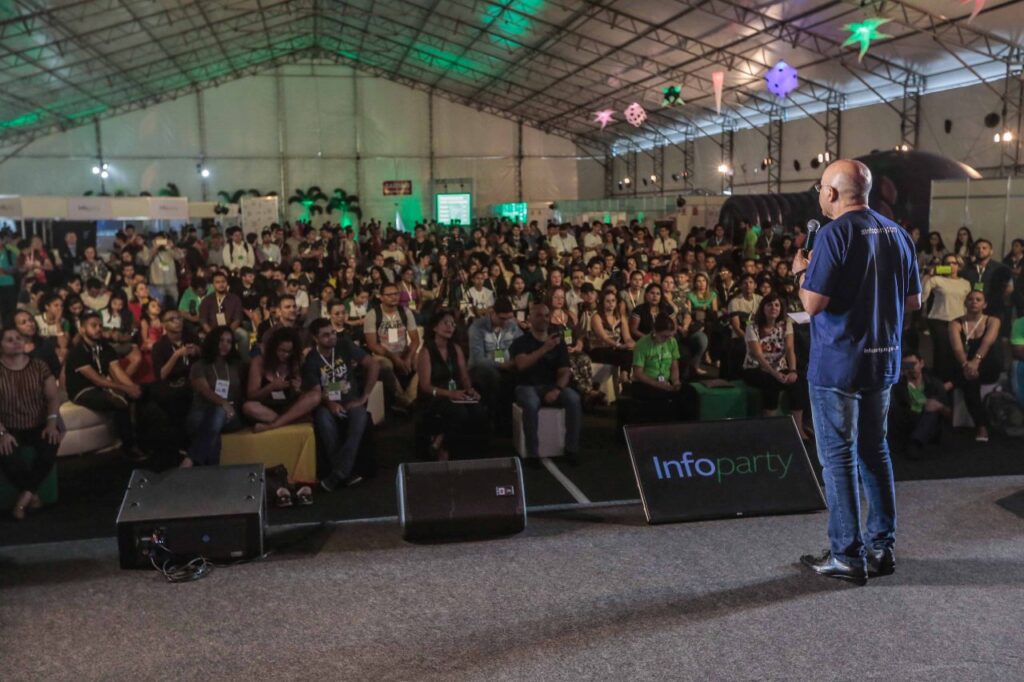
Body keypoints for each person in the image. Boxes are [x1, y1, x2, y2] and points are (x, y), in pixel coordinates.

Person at [795, 159, 921, 585]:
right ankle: (881, 548)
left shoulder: (834, 234)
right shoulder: (897, 233)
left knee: (838, 457)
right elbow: (914, 303)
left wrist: (801, 272)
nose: (819, 194)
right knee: (874, 450)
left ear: (831, 193)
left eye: (820, 187)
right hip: (882, 359)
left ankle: (847, 554)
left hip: (838, 363)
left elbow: (813, 304)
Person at [302, 318, 378, 492]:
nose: (331, 337)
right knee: (324, 421)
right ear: (315, 338)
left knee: (360, 418)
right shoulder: (312, 359)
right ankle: (345, 472)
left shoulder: (344, 345)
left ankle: (338, 474)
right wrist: (330, 404)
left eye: (333, 333)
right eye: (326, 335)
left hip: (351, 400)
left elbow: (373, 365)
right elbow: (316, 391)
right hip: (326, 403)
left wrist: (365, 396)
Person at [0, 326, 64, 520]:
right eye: (9, 340)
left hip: (39, 423)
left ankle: (23, 499)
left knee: (49, 445)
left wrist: (51, 424)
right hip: (8, 426)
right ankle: (33, 496)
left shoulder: (39, 366)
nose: (16, 342)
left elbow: (53, 398)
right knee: (8, 456)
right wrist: (2, 433)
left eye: (18, 338)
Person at [66, 311, 146, 461]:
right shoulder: (77, 351)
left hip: (101, 387)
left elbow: (117, 370)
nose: (98, 329)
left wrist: (133, 388)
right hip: (82, 391)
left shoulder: (105, 347)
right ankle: (128, 447)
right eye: (93, 326)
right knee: (119, 401)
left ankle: (144, 440)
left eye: (100, 325)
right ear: (82, 330)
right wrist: (125, 389)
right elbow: (97, 380)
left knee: (141, 394)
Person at [510, 303, 582, 463]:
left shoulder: (558, 342)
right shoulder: (521, 342)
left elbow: (565, 371)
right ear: (529, 319)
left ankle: (572, 449)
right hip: (527, 386)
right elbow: (521, 364)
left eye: (546, 315)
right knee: (531, 403)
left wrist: (557, 390)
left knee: (573, 398)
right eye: (539, 315)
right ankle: (532, 453)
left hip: (551, 385)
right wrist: (544, 348)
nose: (544, 319)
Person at [416, 308, 488, 460]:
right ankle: (443, 449)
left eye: (453, 324)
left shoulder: (456, 348)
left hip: (455, 393)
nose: (450, 327)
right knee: (459, 412)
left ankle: (447, 442)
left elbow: (464, 376)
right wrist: (449, 393)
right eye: (446, 323)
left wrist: (470, 390)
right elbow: (425, 386)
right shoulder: (426, 351)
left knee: (478, 409)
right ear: (435, 327)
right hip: (435, 395)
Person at [741, 295, 811, 439]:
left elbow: (790, 349)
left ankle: (798, 428)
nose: (773, 308)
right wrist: (775, 374)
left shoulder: (786, 325)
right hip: (755, 368)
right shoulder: (752, 326)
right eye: (769, 305)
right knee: (771, 382)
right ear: (763, 308)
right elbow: (758, 356)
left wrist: (792, 371)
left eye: (776, 305)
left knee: (798, 382)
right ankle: (770, 426)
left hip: (780, 367)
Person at [182, 326, 244, 468]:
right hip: (201, 411)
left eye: (229, 341)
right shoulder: (199, 366)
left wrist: (226, 406)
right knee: (213, 430)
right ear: (213, 341)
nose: (225, 345)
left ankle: (190, 459)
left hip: (230, 416)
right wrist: (223, 403)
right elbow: (205, 391)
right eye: (221, 340)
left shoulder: (235, 366)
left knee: (218, 415)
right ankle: (212, 473)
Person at [242, 326, 320, 433]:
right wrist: (271, 387)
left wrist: (298, 389)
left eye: (289, 352)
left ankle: (273, 425)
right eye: (281, 351)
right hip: (267, 407)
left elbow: (301, 393)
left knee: (315, 396)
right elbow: (251, 395)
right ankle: (290, 421)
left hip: (289, 406)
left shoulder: (295, 362)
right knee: (248, 407)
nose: (286, 355)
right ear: (273, 348)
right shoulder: (259, 362)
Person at [949, 290, 1003, 442]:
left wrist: (975, 362)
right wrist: (966, 365)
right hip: (966, 365)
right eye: (971, 299)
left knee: (968, 378)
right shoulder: (955, 323)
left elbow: (987, 342)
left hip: (988, 363)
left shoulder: (993, 321)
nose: (974, 302)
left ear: (984, 304)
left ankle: (950, 384)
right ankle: (982, 426)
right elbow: (957, 349)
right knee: (970, 381)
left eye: (978, 299)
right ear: (965, 303)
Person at [364, 281, 420, 412]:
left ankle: (409, 397)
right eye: (389, 295)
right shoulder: (372, 314)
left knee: (423, 361)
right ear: (381, 297)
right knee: (385, 365)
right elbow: (372, 345)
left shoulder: (405, 312)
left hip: (403, 351)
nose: (394, 297)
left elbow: (415, 340)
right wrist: (395, 358)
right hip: (383, 354)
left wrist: (408, 357)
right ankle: (403, 399)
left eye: (396, 294)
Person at [467, 297, 522, 428]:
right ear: (493, 313)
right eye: (502, 319)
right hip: (481, 368)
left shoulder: (511, 325)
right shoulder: (477, 327)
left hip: (508, 365)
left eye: (509, 318)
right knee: (493, 376)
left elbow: (522, 343)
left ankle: (511, 421)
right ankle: (494, 421)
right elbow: (478, 359)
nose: (506, 322)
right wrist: (502, 365)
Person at [888, 350, 951, 458]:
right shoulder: (899, 386)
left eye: (914, 364)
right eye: (907, 365)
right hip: (908, 422)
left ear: (921, 363)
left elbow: (949, 414)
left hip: (928, 423)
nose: (911, 368)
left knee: (932, 411)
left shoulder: (934, 384)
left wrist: (939, 406)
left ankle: (915, 443)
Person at [921, 254, 970, 381]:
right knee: (942, 352)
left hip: (959, 321)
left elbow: (968, 303)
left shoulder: (966, 283)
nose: (951, 266)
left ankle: (955, 382)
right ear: (943, 266)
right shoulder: (936, 280)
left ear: (959, 266)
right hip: (939, 319)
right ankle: (940, 382)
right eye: (947, 263)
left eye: (954, 263)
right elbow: (922, 297)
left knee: (957, 352)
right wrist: (928, 276)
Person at [629, 312, 687, 419]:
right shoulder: (642, 344)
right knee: (661, 399)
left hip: (664, 382)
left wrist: (676, 382)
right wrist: (658, 384)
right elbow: (638, 373)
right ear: (655, 331)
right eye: (664, 336)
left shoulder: (672, 342)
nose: (667, 339)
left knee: (685, 396)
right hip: (645, 383)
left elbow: (674, 365)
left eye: (670, 336)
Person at [199, 272, 250, 357]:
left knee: (243, 335)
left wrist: (227, 332)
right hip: (212, 330)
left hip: (231, 329)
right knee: (200, 336)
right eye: (217, 282)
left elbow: (237, 319)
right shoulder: (206, 300)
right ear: (213, 285)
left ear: (227, 283)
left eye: (223, 281)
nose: (221, 284)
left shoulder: (235, 299)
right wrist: (212, 333)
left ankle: (243, 362)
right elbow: (203, 320)